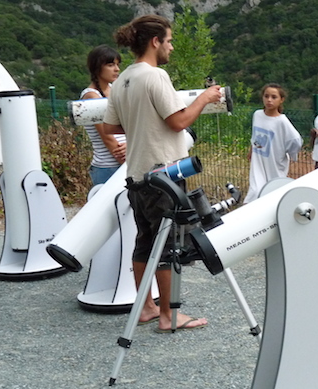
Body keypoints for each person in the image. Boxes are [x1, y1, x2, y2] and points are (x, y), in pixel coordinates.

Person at [103, 14, 222, 333]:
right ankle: (170, 317)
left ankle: (146, 308)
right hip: (164, 177)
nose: (170, 46)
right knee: (169, 245)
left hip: (137, 176)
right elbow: (179, 122)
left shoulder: (123, 79)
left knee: (143, 243)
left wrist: (139, 124)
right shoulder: (156, 77)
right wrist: (205, 98)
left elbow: (110, 126)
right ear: (155, 42)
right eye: (168, 41)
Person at [244, 83, 303, 203]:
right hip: (258, 162)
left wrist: (289, 153)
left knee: (273, 192)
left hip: (275, 164)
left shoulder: (282, 121)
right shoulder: (257, 115)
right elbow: (255, 135)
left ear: (281, 100)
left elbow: (295, 140)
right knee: (255, 191)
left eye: (274, 97)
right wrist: (252, 150)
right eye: (266, 96)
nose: (269, 100)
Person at [81, 45, 125, 186]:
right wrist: (130, 161)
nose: (116, 69)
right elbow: (108, 137)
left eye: (117, 65)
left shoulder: (115, 90)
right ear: (97, 67)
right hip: (109, 168)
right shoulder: (91, 96)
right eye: (111, 65)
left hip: (125, 160)